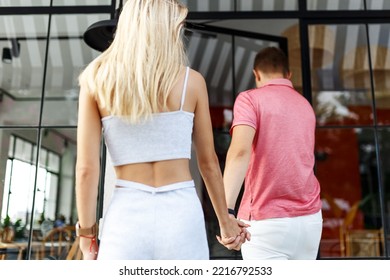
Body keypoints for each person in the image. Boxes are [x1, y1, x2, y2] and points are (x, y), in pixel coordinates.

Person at [75, 0, 248, 260]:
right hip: (181, 216)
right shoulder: (192, 81)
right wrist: (226, 223)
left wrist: (87, 235)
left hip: (126, 219)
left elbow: (86, 170)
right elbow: (209, 163)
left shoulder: (96, 79)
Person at [222, 46, 323, 259]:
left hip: (266, 221)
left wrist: (227, 212)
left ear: (256, 74)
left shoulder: (249, 99)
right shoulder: (305, 105)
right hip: (311, 221)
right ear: (289, 75)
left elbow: (240, 152)